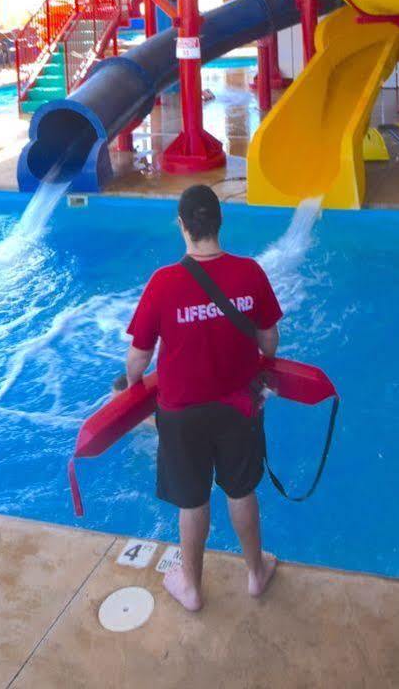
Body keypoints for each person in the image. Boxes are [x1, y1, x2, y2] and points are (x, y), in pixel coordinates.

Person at [124, 184, 283, 612]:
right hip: (237, 407)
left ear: (183, 226)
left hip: (181, 415)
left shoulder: (163, 282)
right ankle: (255, 573)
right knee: (241, 491)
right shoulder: (251, 273)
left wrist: (130, 389)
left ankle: (192, 587)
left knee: (192, 501)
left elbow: (138, 360)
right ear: (219, 222)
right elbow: (269, 341)